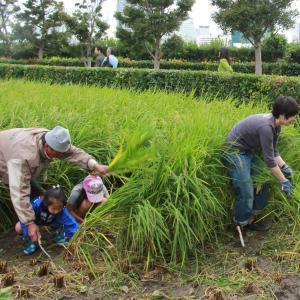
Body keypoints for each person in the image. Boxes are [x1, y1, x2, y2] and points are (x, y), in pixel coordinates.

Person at [0, 125, 109, 243]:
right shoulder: (23, 158)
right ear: (48, 147)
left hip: (11, 151)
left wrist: (95, 165)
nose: (62, 156)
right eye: (59, 154)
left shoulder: (51, 137)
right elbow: (19, 192)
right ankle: (27, 227)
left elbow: (72, 153)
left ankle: (49, 222)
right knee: (27, 204)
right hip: (8, 160)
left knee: (43, 200)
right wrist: (29, 223)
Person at [225, 96, 299, 231]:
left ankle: (251, 219)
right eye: (292, 116)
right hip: (234, 151)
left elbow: (274, 151)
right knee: (246, 188)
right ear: (282, 115)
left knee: (263, 181)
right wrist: (283, 181)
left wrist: (285, 167)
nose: (294, 119)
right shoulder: (266, 127)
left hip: (247, 151)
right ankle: (240, 224)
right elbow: (269, 160)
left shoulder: (276, 126)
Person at [15, 186, 78, 254]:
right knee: (19, 228)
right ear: (46, 204)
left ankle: (59, 236)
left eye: (59, 208)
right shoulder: (36, 205)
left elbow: (70, 222)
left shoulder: (61, 211)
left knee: (63, 220)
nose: (56, 211)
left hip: (53, 220)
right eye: (54, 209)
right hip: (35, 220)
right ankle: (32, 242)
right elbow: (25, 218)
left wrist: (72, 236)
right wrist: (27, 233)